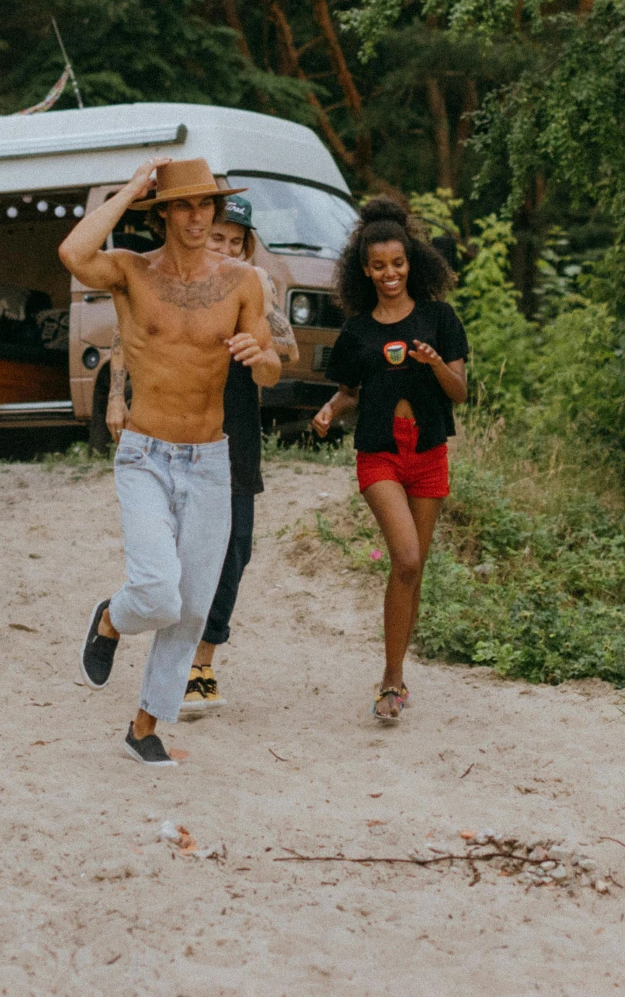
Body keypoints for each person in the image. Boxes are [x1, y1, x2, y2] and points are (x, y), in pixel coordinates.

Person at [59, 157, 280, 765]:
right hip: (146, 454)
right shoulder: (130, 271)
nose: (196, 215)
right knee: (157, 591)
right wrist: (132, 187)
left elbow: (271, 367)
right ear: (161, 214)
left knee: (191, 607)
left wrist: (259, 354)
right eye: (183, 205)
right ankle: (111, 619)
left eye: (205, 205)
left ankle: (145, 727)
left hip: (212, 458)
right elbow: (74, 253)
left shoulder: (242, 281)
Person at [309, 196, 467, 724]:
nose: (389, 274)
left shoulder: (440, 318)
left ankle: (397, 673)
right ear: (364, 270)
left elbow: (461, 392)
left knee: (412, 572)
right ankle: (390, 679)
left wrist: (435, 362)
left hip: (428, 451)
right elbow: (349, 390)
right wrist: (329, 409)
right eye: (378, 266)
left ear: (412, 262)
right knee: (405, 558)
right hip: (379, 452)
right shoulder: (357, 331)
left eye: (397, 263)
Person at [181, 196, 297, 715]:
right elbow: (129, 337)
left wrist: (259, 338)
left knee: (237, 548)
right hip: (181, 428)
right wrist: (117, 398)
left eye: (236, 241)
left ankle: (201, 664)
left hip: (238, 431)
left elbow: (287, 349)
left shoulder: (255, 286)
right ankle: (174, 652)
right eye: (218, 238)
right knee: (182, 550)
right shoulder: (176, 281)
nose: (226, 248)